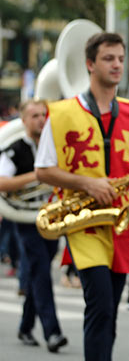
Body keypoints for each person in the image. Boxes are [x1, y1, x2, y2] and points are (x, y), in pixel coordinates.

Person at [34, 32, 129, 361]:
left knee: (109, 310)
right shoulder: (59, 113)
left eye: (120, 58)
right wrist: (88, 184)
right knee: (100, 303)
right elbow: (43, 169)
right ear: (90, 64)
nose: (117, 64)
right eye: (108, 58)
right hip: (83, 221)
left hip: (125, 222)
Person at [0, 99, 68, 352]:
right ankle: (53, 332)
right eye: (35, 116)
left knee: (41, 267)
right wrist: (38, 175)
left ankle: (26, 325)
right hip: (26, 218)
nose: (41, 119)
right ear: (24, 120)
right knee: (40, 269)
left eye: (44, 115)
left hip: (52, 216)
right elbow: (2, 182)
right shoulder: (15, 148)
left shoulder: (55, 145)